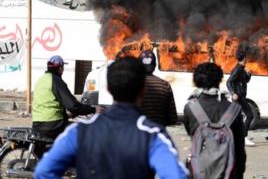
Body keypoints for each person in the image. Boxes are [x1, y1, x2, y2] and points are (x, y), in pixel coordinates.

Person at [34, 56, 188, 179]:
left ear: (109, 89)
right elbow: (176, 175)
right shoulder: (153, 136)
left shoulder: (79, 131)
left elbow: (44, 171)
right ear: (143, 91)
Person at [183, 62, 246, 179]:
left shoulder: (190, 108)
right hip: (228, 172)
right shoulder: (235, 109)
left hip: (199, 171)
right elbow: (239, 148)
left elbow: (191, 135)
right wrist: (239, 173)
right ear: (219, 80)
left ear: (196, 81)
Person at [32, 55, 95, 141]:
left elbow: (49, 104)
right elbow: (73, 106)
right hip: (53, 126)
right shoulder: (56, 81)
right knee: (82, 131)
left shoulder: (41, 80)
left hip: (37, 124)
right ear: (60, 69)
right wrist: (93, 109)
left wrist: (68, 115)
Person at [139, 50, 178, 126]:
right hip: (157, 133)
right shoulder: (165, 85)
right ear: (154, 66)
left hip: (136, 134)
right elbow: (172, 119)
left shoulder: (132, 84)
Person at [226, 51, 255, 146]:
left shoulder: (242, 69)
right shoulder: (238, 69)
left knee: (235, 117)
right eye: (246, 58)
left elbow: (245, 81)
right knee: (249, 115)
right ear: (244, 58)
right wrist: (233, 93)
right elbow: (229, 82)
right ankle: (243, 137)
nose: (247, 59)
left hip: (240, 95)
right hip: (239, 96)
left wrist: (249, 74)